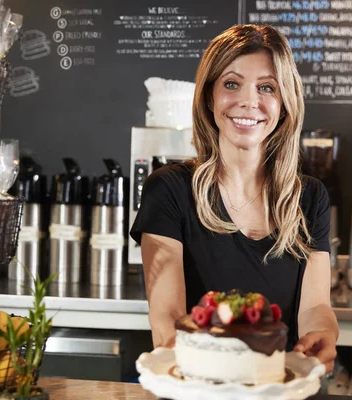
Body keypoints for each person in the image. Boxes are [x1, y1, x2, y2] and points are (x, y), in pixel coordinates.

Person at [130, 24, 338, 373]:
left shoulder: (309, 197)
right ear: (209, 97)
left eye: (267, 87)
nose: (248, 101)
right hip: (196, 387)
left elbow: (315, 305)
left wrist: (322, 333)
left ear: (284, 103)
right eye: (231, 83)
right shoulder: (169, 190)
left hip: (277, 389)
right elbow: (167, 318)